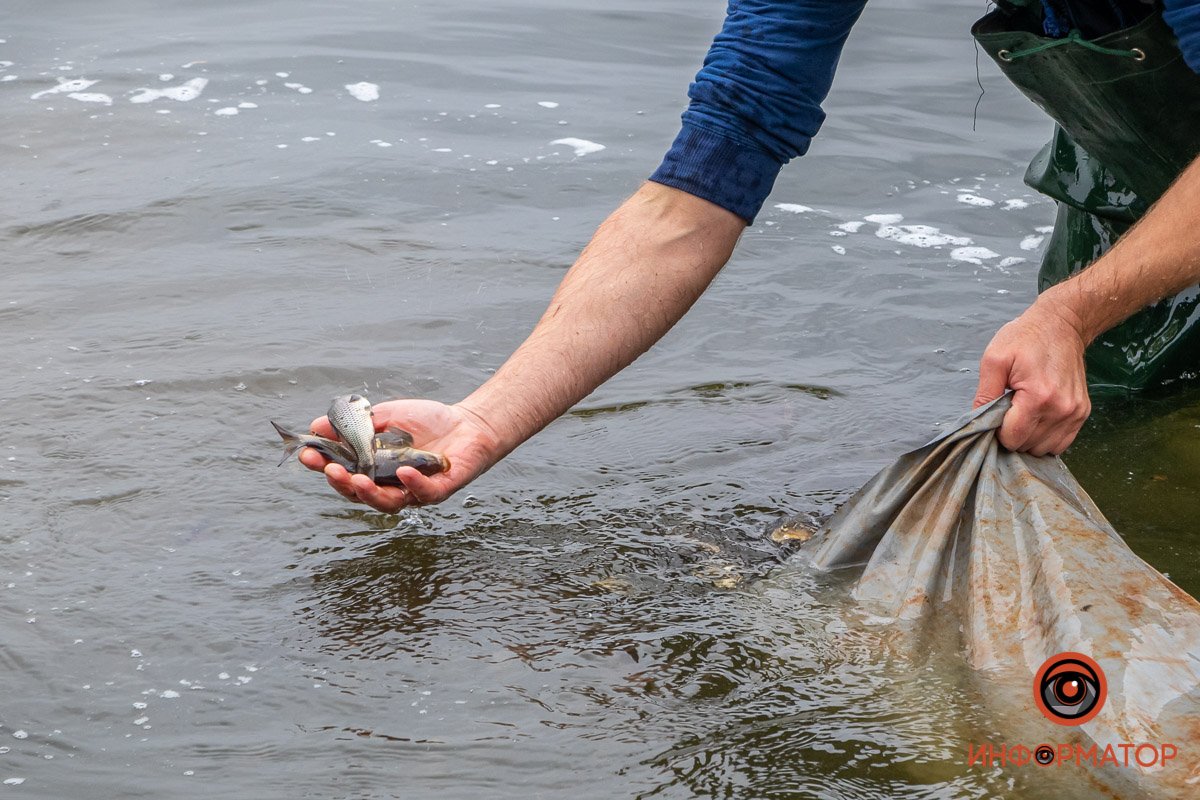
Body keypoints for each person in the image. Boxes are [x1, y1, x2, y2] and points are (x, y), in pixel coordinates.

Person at [301, 0, 1200, 513]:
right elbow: (701, 183)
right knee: (1125, 470)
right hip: (1137, 195)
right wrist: (486, 419)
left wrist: (1068, 312)